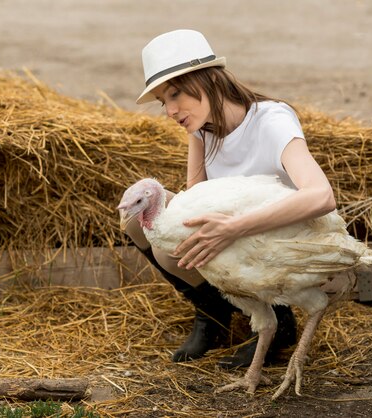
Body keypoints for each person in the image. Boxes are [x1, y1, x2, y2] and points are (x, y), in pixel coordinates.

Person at [125, 29, 336, 367]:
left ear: (207, 79)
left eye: (176, 93)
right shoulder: (201, 128)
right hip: (236, 237)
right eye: (164, 101)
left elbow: (322, 196)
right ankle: (214, 314)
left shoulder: (272, 121)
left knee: (170, 249)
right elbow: (196, 196)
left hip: (276, 240)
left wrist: (234, 227)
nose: (170, 110)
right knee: (141, 222)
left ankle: (278, 319)